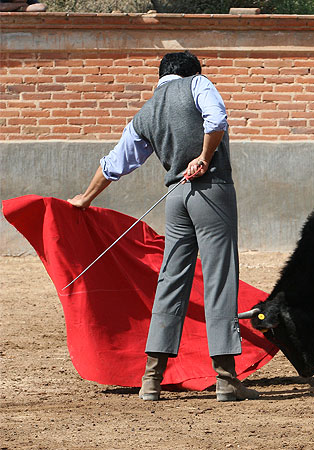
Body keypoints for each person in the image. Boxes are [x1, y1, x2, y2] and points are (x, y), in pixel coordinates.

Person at [68, 51, 258, 402]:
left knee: (171, 280)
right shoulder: (197, 84)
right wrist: (204, 157)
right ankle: (225, 379)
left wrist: (86, 198)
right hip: (211, 190)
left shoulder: (147, 110)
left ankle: (151, 379)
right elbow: (217, 120)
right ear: (191, 72)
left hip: (175, 197)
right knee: (219, 279)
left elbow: (115, 162)